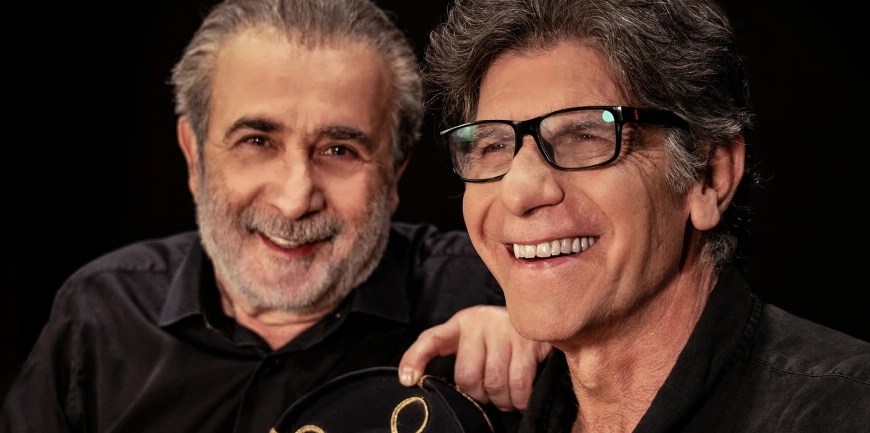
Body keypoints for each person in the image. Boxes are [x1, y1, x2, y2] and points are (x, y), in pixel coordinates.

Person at [0, 0, 552, 432]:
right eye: (257, 141)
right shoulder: (100, 316)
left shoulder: (499, 292)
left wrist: (547, 336)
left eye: (339, 150)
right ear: (193, 155)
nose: (295, 200)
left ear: (394, 173)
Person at [424, 0, 870, 432]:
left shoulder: (849, 410)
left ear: (709, 177)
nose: (519, 191)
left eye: (586, 136)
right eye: (492, 146)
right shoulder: (467, 409)